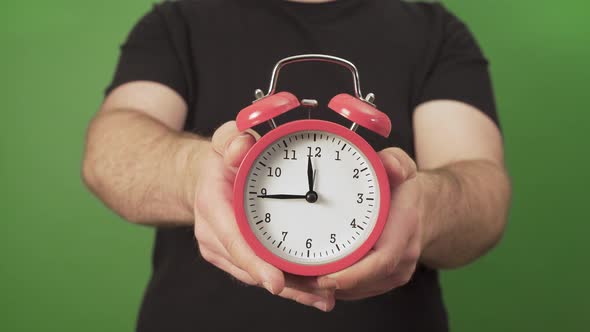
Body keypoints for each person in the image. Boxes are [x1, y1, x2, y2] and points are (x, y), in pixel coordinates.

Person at [82, 0, 511, 331]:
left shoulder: (436, 32)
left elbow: (483, 190)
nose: (310, 196)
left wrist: (424, 207)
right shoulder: (177, 20)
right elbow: (109, 152)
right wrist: (196, 171)